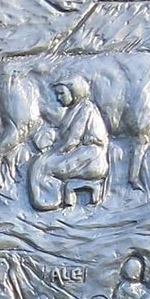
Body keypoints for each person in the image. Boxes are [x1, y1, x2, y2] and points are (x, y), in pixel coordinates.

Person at [27, 76, 109, 211]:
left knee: (43, 165)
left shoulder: (86, 108)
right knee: (40, 162)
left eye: (61, 93)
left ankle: (48, 201)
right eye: (57, 94)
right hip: (82, 154)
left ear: (74, 91)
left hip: (90, 157)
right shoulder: (75, 109)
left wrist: (53, 153)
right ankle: (46, 199)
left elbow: (73, 139)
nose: (59, 98)